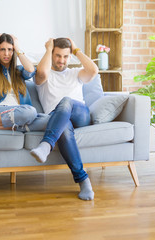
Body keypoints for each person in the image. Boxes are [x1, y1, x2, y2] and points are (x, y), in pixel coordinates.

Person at [30, 38, 99, 201]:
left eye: (65, 56)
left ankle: (46, 144)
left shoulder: (76, 73)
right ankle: (84, 181)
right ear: (52, 54)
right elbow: (41, 73)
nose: (61, 60)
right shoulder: (43, 76)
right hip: (58, 120)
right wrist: (48, 49)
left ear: (70, 57)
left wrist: (76, 50)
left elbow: (93, 70)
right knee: (64, 126)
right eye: (58, 55)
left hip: (80, 115)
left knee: (66, 101)